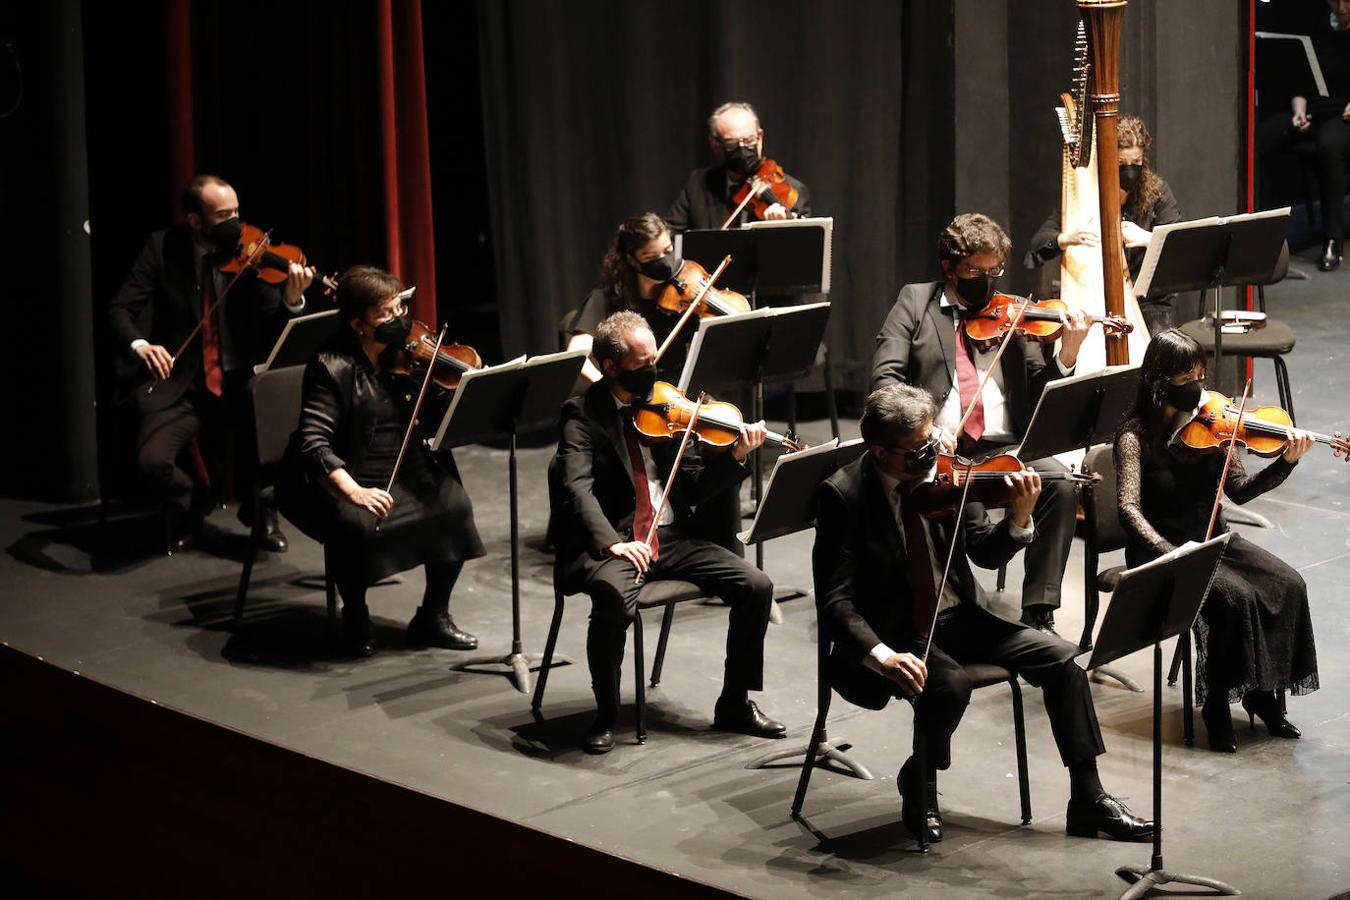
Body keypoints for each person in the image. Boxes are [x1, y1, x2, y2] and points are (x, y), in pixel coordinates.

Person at [813, 383, 1152, 844]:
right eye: (917, 449)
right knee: (948, 683)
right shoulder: (844, 495)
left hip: (959, 615)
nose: (932, 453)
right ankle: (921, 779)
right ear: (880, 451)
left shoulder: (947, 473)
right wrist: (884, 656)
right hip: (897, 630)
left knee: (1063, 663)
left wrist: (1018, 520)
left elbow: (986, 555)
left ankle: (1088, 800)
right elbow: (836, 602)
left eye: (934, 439)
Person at [549, 310, 785, 754]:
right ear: (611, 366)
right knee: (612, 599)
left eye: (655, 358)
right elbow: (576, 487)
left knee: (756, 585)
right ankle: (605, 713)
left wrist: (735, 455)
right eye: (643, 364)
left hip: (671, 538)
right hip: (618, 544)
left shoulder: (666, 407)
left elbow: (694, 486)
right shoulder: (582, 415)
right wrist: (614, 543)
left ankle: (734, 701)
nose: (654, 371)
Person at [871, 213, 1090, 634]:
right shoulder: (915, 303)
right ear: (949, 266)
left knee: (1059, 485)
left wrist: (1068, 353)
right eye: (975, 271)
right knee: (975, 534)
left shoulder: (1014, 314)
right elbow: (885, 380)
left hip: (1003, 446)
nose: (987, 282)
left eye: (995, 272)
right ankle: (960, 606)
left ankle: (1039, 612)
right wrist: (927, 429)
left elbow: (1040, 392)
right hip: (941, 450)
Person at [1113, 329, 1321, 752]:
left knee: (1288, 583)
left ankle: (1262, 694)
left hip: (1214, 539)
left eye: (1201, 374)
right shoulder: (1134, 436)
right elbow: (1128, 509)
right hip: (1161, 550)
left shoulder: (1216, 423)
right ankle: (1217, 706)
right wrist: (1172, 555)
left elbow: (1239, 490)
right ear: (1159, 382)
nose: (1199, 386)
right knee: (1234, 599)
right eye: (1187, 377)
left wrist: (1285, 463)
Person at [278, 266, 485, 658]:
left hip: (405, 462)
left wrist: (465, 387)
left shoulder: (408, 357)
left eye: (399, 310)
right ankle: (355, 613)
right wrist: (353, 490)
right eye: (386, 315)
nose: (399, 322)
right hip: (347, 472)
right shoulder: (330, 365)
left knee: (454, 506)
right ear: (359, 324)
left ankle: (433, 616)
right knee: (354, 523)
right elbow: (313, 441)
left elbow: (440, 412)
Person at [108, 174, 313, 552]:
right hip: (184, 382)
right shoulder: (162, 247)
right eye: (223, 216)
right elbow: (120, 307)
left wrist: (292, 302)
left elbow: (273, 328)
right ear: (195, 221)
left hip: (240, 380)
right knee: (151, 461)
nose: (236, 224)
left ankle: (260, 511)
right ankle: (191, 499)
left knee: (276, 417)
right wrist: (140, 344)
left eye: (237, 212)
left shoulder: (253, 255)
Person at [1025, 114, 1182, 333]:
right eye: (1121, 163)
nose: (1129, 169)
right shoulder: (1086, 196)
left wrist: (1147, 238)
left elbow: (1179, 243)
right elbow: (1038, 244)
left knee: (1162, 347)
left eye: (1135, 163)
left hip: (1149, 303)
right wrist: (1066, 238)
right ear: (1106, 160)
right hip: (1095, 299)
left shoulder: (1158, 193)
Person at [1257, 0, 1350, 271]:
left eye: (1347, 2)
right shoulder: (1319, 30)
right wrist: (1299, 110)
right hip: (1314, 112)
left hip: (1343, 116)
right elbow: (1301, 79)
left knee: (1329, 145)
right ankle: (1256, 232)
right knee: (1262, 135)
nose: (1341, 8)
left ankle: (1332, 238)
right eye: (1336, 2)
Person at [565, 212, 687, 386]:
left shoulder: (681, 294)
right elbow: (576, 353)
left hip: (680, 390)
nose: (665, 262)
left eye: (668, 251)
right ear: (632, 259)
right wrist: (608, 388)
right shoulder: (609, 297)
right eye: (652, 257)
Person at [666, 101, 811, 232]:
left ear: (760, 137)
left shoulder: (794, 191)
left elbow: (804, 250)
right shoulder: (699, 183)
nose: (742, 150)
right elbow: (671, 234)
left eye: (749, 140)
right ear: (715, 143)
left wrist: (782, 229)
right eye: (732, 144)